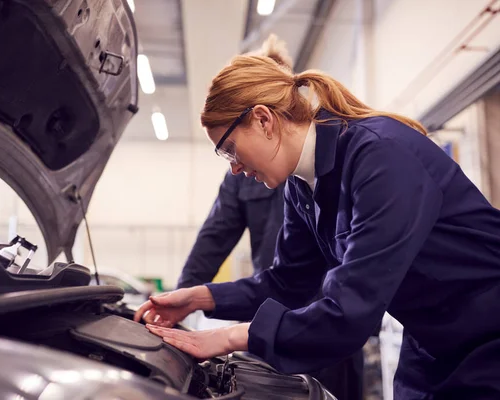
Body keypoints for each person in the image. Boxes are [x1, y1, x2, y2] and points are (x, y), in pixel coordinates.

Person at [134, 35, 500, 399]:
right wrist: (200, 298)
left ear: (263, 120)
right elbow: (287, 282)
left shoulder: (379, 157)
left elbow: (349, 314)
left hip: (488, 336)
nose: (233, 169)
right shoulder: (301, 187)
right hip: (431, 341)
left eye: (229, 150)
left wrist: (227, 337)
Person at [177, 170, 364, 400]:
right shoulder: (241, 173)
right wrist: (185, 300)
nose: (236, 163)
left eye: (230, 146)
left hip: (327, 323)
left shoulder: (333, 164)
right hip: (267, 319)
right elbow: (213, 239)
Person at [176, 169, 284, 289]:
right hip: (268, 291)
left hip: (304, 296)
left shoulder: (305, 171)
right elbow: (215, 237)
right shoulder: (241, 174)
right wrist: (183, 292)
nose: (235, 165)